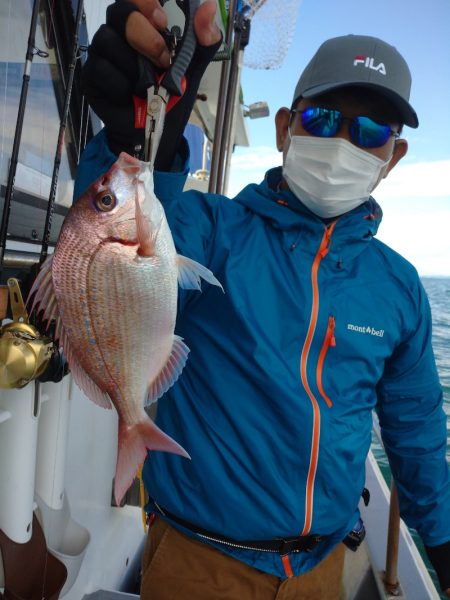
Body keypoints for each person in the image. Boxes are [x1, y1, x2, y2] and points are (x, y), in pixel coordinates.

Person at [77, 1, 450, 598]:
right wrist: (138, 146)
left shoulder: (399, 286)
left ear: (393, 156)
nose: (344, 142)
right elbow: (116, 257)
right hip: (198, 564)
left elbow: (415, 430)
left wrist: (445, 542)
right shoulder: (211, 228)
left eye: (372, 131)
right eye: (323, 119)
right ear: (284, 128)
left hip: (323, 569)